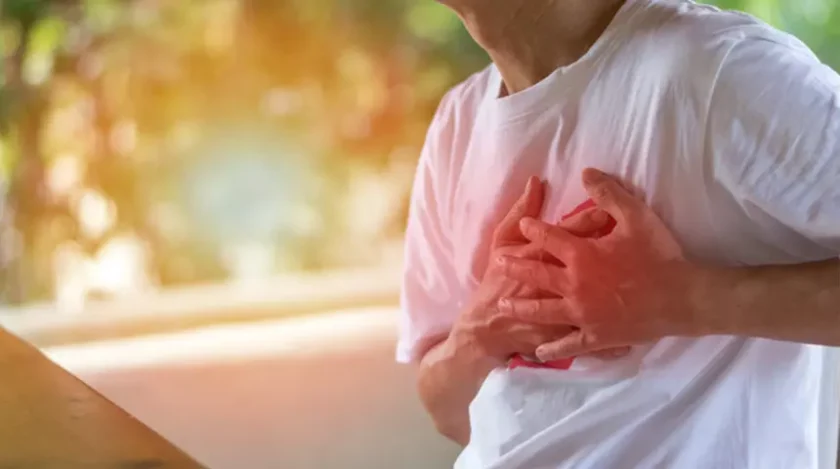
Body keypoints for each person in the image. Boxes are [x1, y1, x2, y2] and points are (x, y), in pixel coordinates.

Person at [397, 0, 840, 468]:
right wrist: (483, 332)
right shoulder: (456, 123)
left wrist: (687, 301)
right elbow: (448, 413)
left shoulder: (723, 71)